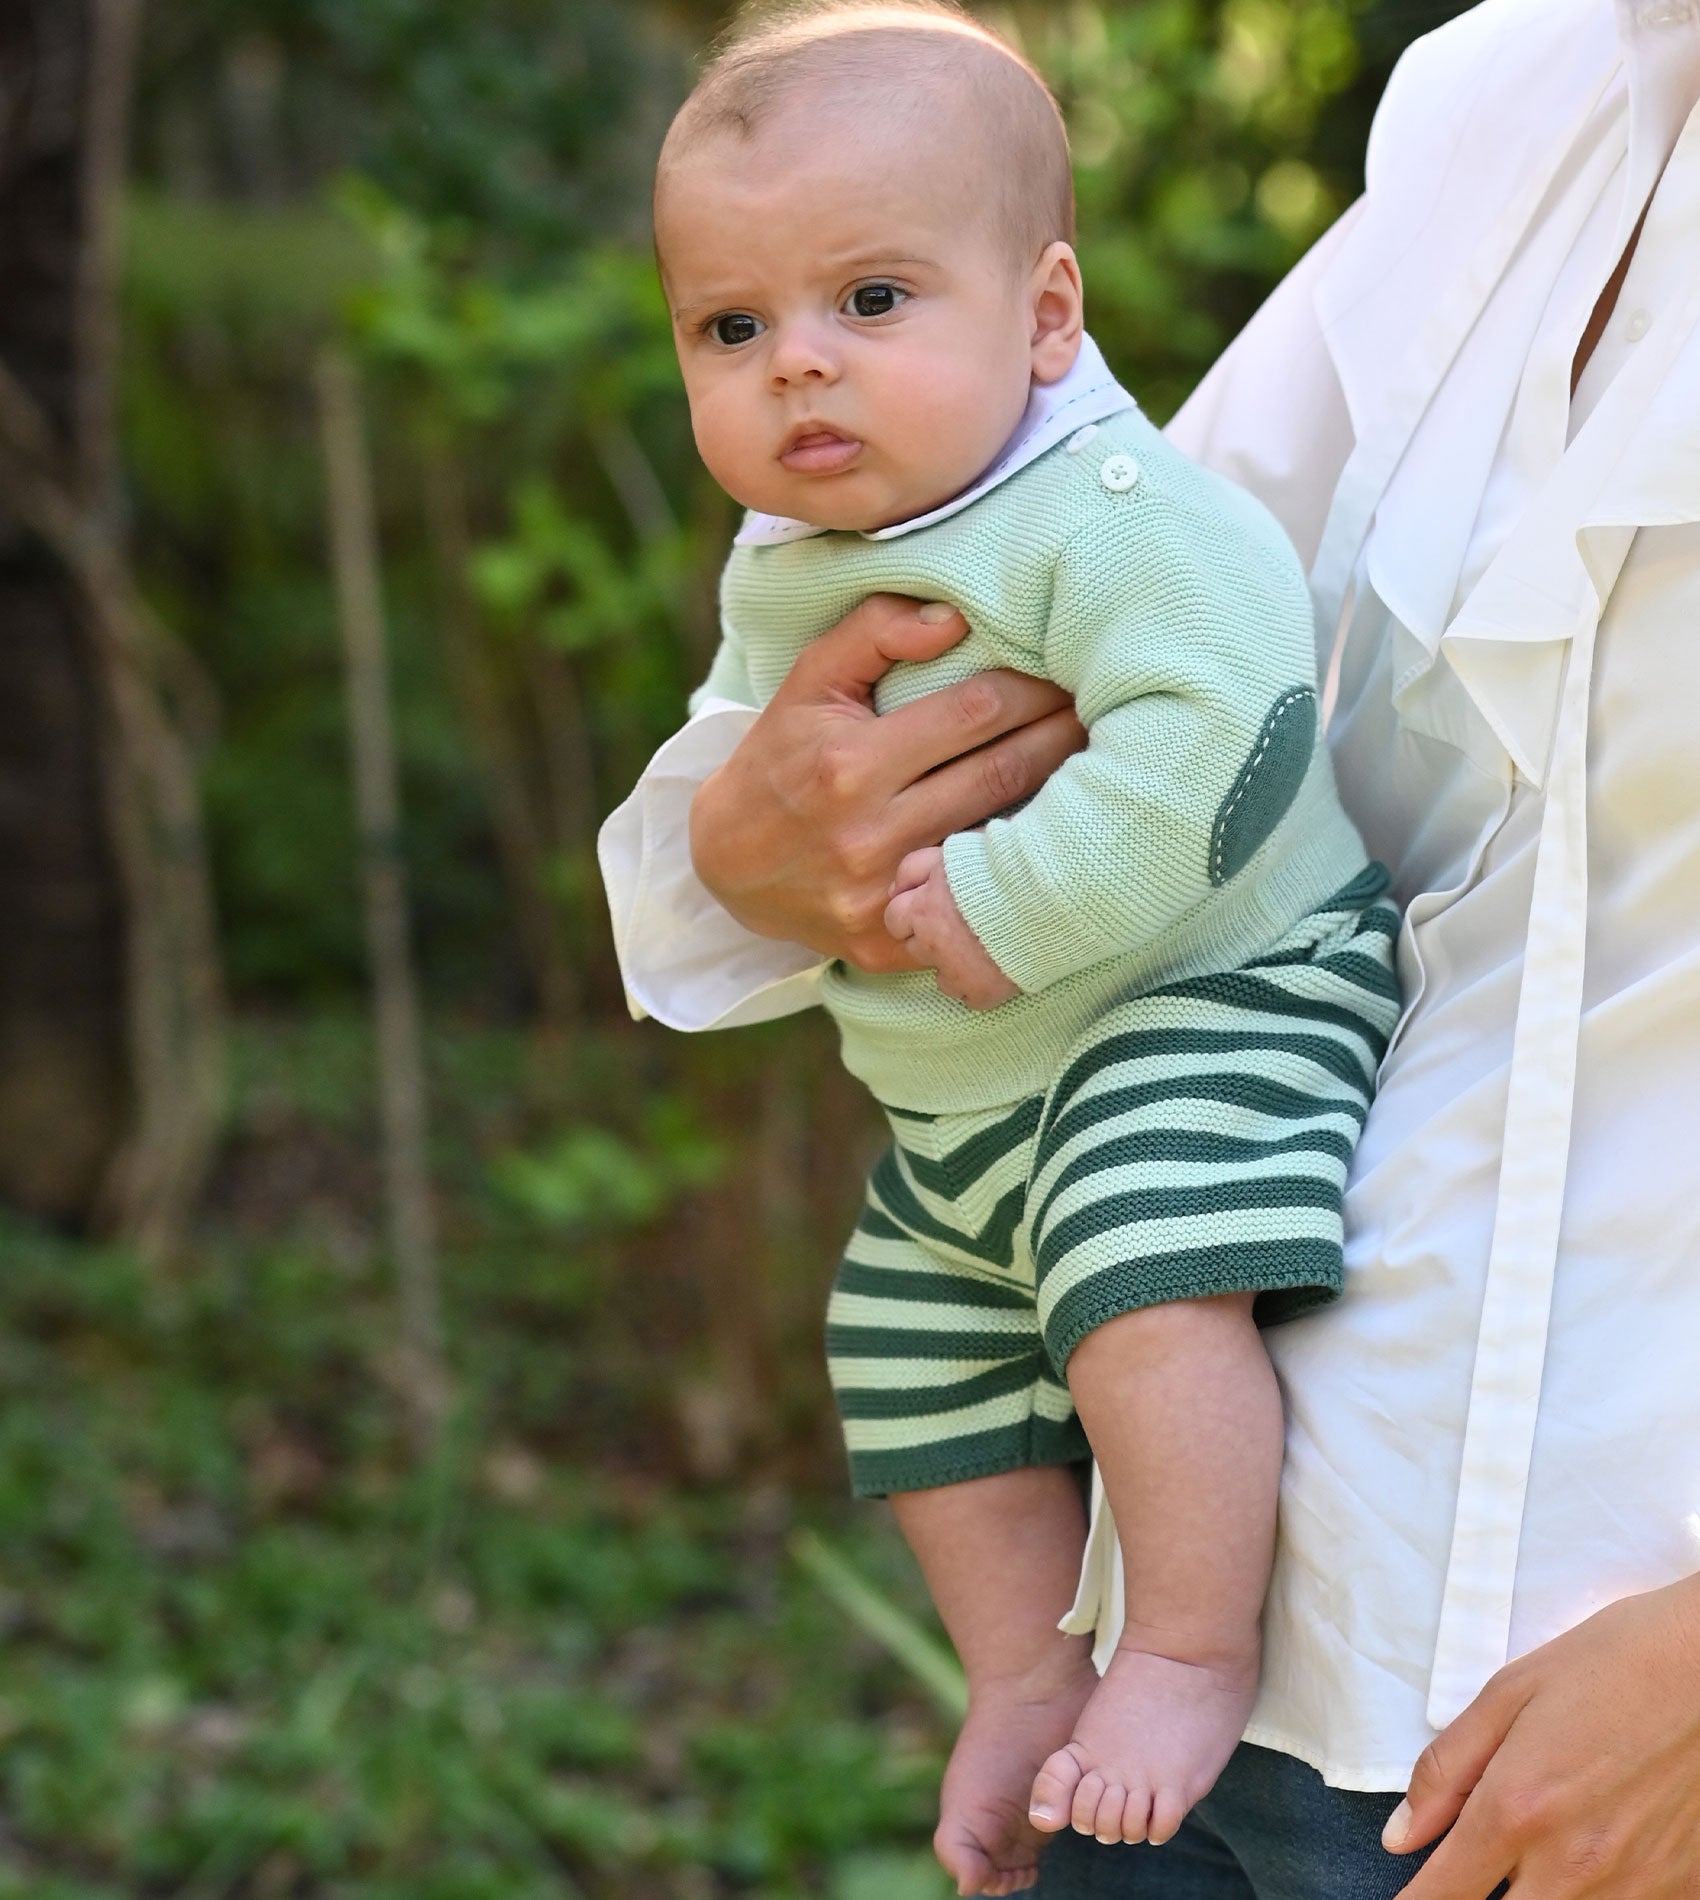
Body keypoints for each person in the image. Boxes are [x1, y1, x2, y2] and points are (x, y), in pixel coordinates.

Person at [603, 0, 1700, 1892]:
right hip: (1242, 1625)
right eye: (732, 329)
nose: (800, 364)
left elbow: (1211, 695)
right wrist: (745, 847)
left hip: (1597, 1698)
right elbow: (1112, 601)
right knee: (904, 1329)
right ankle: (1027, 1666)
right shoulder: (1515, 98)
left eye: (858, 302)